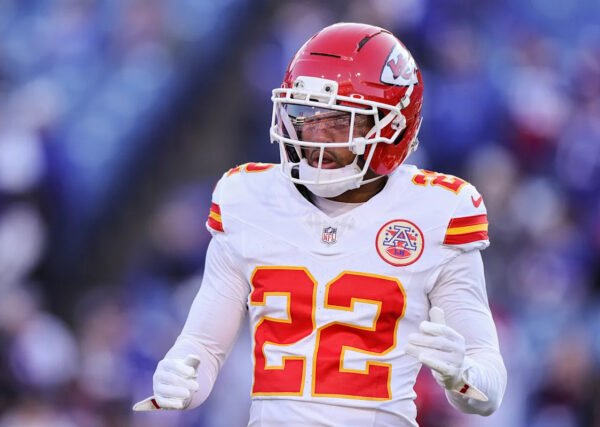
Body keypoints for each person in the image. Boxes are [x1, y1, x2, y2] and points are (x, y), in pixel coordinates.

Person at [134, 22, 507, 426]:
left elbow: (487, 384)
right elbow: (204, 346)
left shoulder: (437, 211)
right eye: (304, 115)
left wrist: (461, 376)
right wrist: (182, 375)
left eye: (339, 122)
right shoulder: (248, 199)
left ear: (393, 127)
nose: (316, 139)